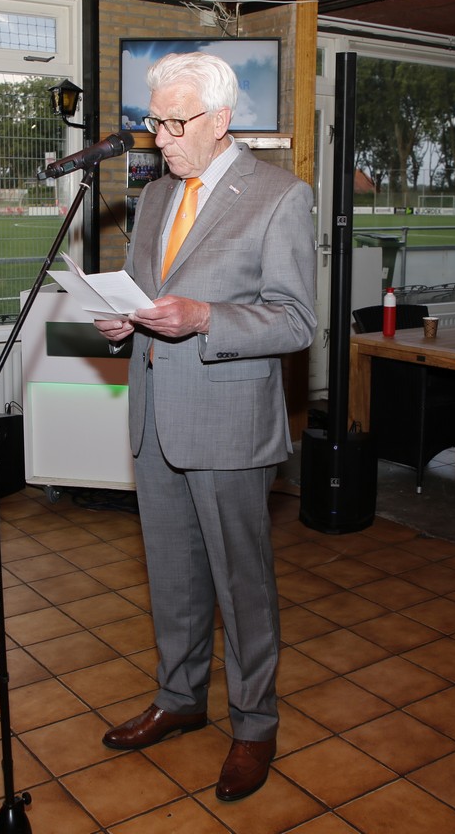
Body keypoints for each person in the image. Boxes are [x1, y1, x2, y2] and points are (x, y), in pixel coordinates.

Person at [93, 52, 317, 802]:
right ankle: (180, 698)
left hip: (229, 420)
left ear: (221, 120)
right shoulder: (156, 196)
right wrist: (124, 321)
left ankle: (254, 725)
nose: (159, 137)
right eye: (153, 121)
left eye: (174, 122)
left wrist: (205, 318)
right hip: (155, 412)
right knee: (172, 575)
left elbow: (297, 321)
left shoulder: (280, 197)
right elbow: (148, 293)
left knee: (240, 583)